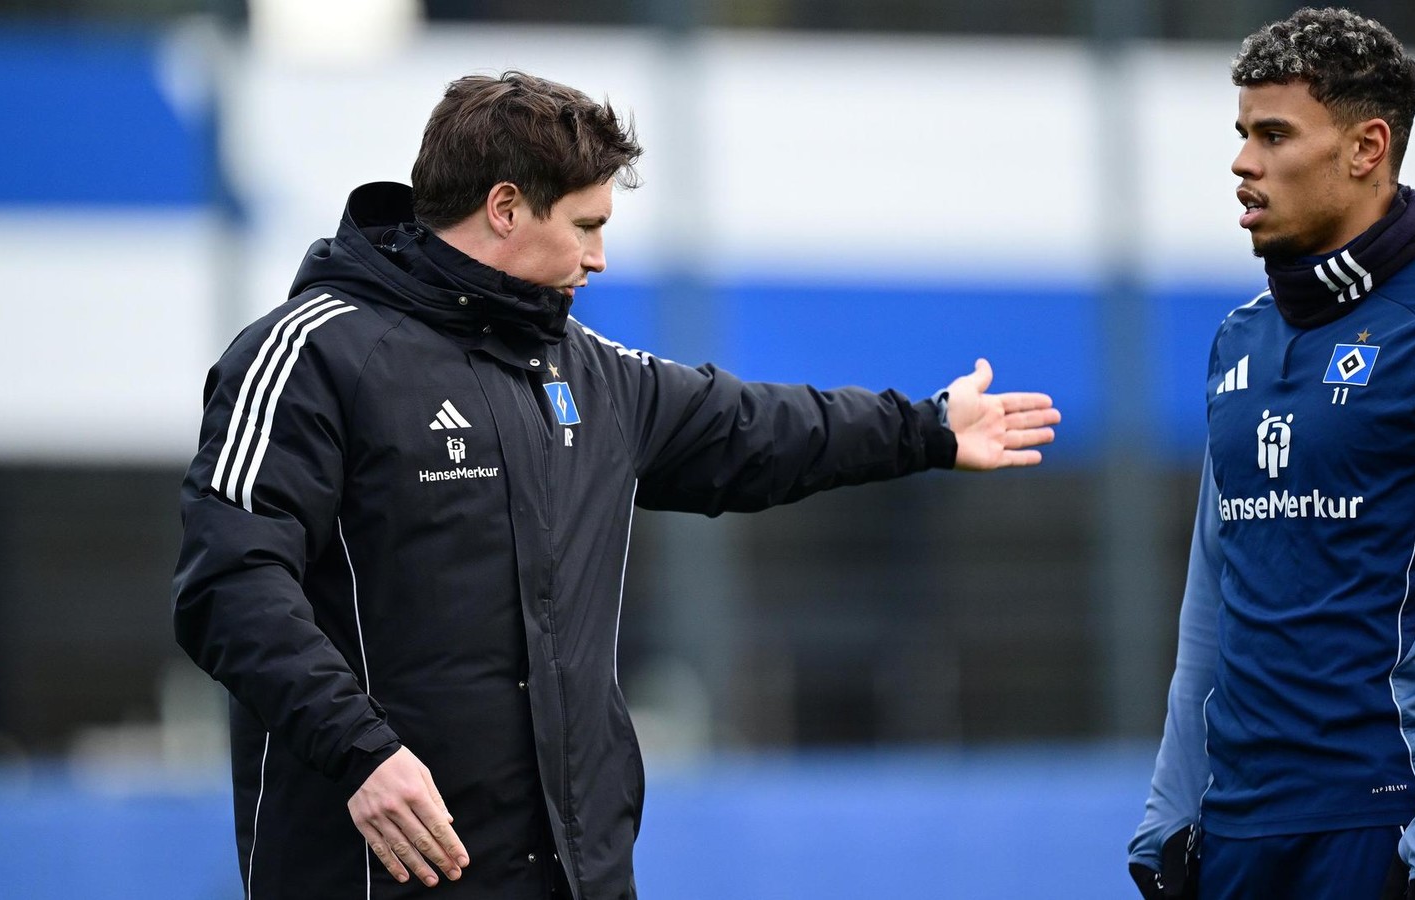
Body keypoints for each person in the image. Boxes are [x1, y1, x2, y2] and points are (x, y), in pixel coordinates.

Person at [172, 71, 1060, 900]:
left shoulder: (588, 373)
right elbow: (230, 587)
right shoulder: (309, 355)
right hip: (377, 872)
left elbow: (756, 429)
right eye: (586, 225)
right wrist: (361, 753)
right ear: (505, 208)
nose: (598, 258)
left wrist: (927, 430)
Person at [1128, 8, 1415, 900]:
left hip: (1395, 819)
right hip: (1236, 826)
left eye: (1275, 135)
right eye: (1243, 134)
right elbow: (1212, 588)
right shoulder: (1238, 337)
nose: (1243, 162)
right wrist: (1170, 806)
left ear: (1367, 147)